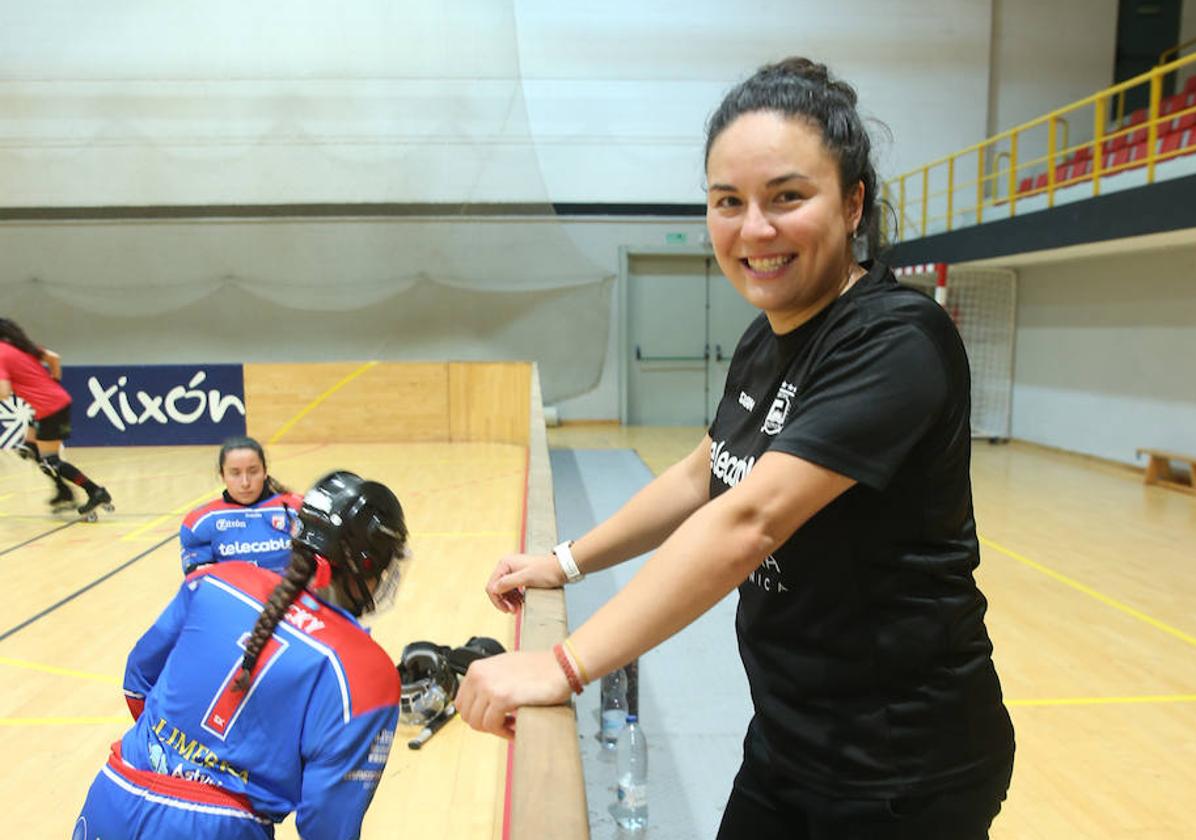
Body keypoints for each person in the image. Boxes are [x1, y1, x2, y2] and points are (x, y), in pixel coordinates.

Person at [456, 57, 1016, 839]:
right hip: (790, 737)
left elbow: (749, 519)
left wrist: (561, 666)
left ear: (853, 203)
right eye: (729, 202)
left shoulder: (897, 340)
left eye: (787, 197)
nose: (754, 229)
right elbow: (704, 473)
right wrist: (566, 560)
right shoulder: (767, 335)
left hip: (902, 766)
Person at [74, 470, 409, 840]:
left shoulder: (218, 578)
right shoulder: (365, 672)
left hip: (114, 792)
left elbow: (138, 680)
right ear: (367, 567)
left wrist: (175, 753)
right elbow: (328, 824)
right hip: (220, 828)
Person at [0, 318, 111, 515]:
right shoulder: (20, 347)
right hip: (47, 405)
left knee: (51, 460)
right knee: (29, 448)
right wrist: (54, 382)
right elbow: (54, 357)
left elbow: (4, 392)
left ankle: (95, 491)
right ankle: (63, 491)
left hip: (50, 408)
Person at [179, 436, 303, 575]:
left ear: (265, 471)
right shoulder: (200, 523)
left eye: (253, 471)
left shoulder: (299, 510)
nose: (245, 482)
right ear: (222, 475)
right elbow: (200, 583)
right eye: (235, 473)